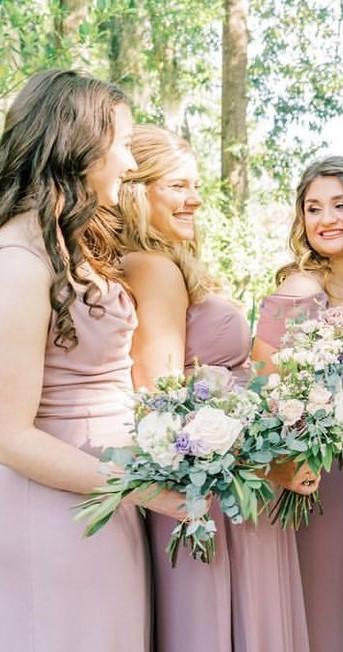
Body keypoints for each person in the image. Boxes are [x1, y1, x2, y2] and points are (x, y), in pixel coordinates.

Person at [0, 69, 182, 651]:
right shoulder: (18, 261)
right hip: (58, 513)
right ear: (77, 145)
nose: (130, 162)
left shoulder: (66, 243)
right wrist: (142, 488)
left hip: (104, 501)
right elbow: (8, 435)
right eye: (123, 144)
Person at [116, 124, 309, 651]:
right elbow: (162, 404)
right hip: (220, 489)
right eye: (178, 185)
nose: (195, 199)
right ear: (136, 191)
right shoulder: (152, 267)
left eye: (195, 185)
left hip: (234, 478)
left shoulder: (167, 261)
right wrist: (269, 465)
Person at [251, 155, 343, 652]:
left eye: (340, 205)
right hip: (313, 475)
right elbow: (262, 384)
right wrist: (290, 459)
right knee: (324, 606)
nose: (326, 219)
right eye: (313, 208)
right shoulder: (301, 290)